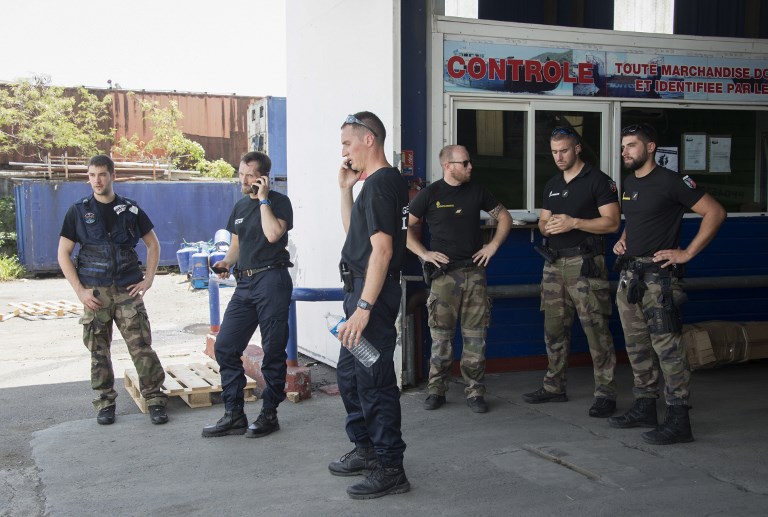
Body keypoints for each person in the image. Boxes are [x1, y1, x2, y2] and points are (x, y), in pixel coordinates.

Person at [609, 123, 725, 444]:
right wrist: (624, 240)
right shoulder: (630, 183)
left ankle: (678, 419)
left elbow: (714, 212)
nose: (625, 152)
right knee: (637, 346)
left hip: (659, 281)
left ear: (650, 148)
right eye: (622, 147)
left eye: (631, 145)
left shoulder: (673, 182)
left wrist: (686, 252)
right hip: (630, 276)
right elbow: (637, 221)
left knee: (669, 349)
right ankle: (645, 405)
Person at [327, 112, 410, 500]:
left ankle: (391, 467)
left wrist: (363, 307)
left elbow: (383, 250)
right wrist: (345, 189)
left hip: (369, 297)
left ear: (369, 140)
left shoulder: (380, 185)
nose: (344, 151)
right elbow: (355, 238)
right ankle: (367, 449)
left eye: (347, 143)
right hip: (362, 291)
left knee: (374, 382)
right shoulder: (372, 186)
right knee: (350, 375)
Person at [57, 154, 168, 425]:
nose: (97, 180)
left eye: (102, 174)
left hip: (127, 289)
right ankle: (105, 402)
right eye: (92, 175)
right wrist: (80, 291)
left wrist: (149, 279)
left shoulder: (130, 209)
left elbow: (153, 245)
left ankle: (154, 399)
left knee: (141, 346)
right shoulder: (78, 211)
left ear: (112, 175)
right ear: (88, 177)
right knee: (98, 350)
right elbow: (63, 253)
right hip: (95, 293)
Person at [522, 127, 620, 418]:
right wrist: (547, 226)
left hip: (585, 264)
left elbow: (612, 223)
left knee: (596, 330)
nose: (559, 156)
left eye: (564, 150)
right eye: (554, 152)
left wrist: (574, 222)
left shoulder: (599, 181)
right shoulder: (552, 183)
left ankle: (606, 393)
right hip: (553, 265)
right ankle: (554, 386)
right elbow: (542, 221)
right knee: (554, 329)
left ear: (577, 148)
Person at [407, 144, 512, 414]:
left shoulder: (477, 192)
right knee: (441, 338)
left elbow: (505, 217)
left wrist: (492, 246)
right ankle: (436, 390)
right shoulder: (429, 195)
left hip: (474, 275)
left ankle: (475, 392)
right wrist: (424, 253)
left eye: (469, 162)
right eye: (464, 163)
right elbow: (404, 229)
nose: (470, 167)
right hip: (443, 278)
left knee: (475, 338)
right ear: (448, 166)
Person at [202, 151, 294, 439]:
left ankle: (269, 414)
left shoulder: (279, 203)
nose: (242, 179)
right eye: (240, 173)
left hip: (271, 280)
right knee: (226, 346)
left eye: (248, 175)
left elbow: (272, 235)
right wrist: (226, 263)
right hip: (245, 284)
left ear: (262, 177)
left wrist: (263, 199)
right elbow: (236, 246)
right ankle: (234, 414)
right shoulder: (240, 207)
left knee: (273, 348)